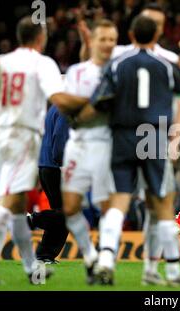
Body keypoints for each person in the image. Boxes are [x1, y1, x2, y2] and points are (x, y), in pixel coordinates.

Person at [75, 15, 180, 286]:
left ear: (131, 34)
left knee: (120, 201)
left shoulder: (117, 63)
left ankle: (105, 258)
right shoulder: (166, 65)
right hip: (153, 137)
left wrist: (79, 120)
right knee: (162, 204)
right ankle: (172, 271)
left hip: (123, 136)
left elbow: (100, 100)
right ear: (157, 35)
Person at [0, 16, 87, 284]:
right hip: (21, 138)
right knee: (10, 205)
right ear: (40, 38)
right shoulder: (42, 64)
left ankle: (31, 264)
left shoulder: (2, 62)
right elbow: (58, 99)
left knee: (16, 203)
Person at [56, 19, 118, 285]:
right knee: (70, 207)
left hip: (106, 143)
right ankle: (90, 256)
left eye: (112, 40)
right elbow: (61, 104)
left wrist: (79, 107)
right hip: (77, 144)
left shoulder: (118, 71)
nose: (107, 44)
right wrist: (94, 103)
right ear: (92, 41)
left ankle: (106, 259)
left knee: (106, 206)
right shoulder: (77, 71)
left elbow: (115, 108)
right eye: (103, 39)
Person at [33, 104, 69, 264]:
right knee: (68, 213)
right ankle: (32, 219)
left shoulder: (54, 106)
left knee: (61, 213)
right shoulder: (66, 107)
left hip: (46, 165)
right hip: (56, 166)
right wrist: (63, 162)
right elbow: (60, 136)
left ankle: (44, 255)